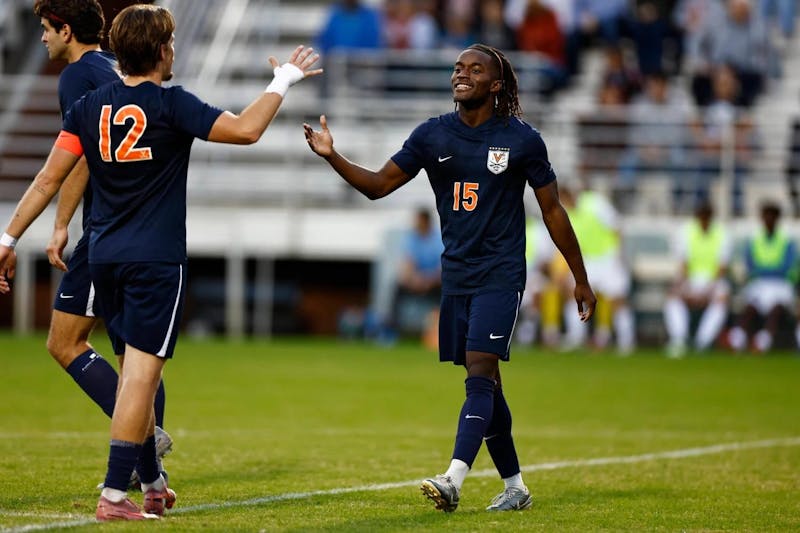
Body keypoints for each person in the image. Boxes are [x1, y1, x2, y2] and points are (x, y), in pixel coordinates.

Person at [0, 4, 321, 521]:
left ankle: (151, 483)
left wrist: (8, 236)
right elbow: (245, 130)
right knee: (141, 378)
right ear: (162, 50)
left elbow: (46, 178)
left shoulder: (89, 106)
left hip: (102, 256)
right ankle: (112, 495)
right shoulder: (172, 105)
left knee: (132, 373)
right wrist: (283, 79)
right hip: (154, 261)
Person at [304, 43, 596, 512]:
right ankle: (516, 487)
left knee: (480, 367)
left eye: (474, 69)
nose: (461, 74)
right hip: (456, 274)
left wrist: (579, 277)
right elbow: (379, 186)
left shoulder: (523, 140)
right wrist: (332, 156)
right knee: (486, 380)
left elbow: (553, 210)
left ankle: (453, 478)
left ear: (495, 85)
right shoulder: (432, 136)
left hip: (502, 272)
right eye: (458, 68)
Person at [29, 0, 172, 487]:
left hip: (106, 231)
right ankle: (143, 459)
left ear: (67, 30)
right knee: (136, 350)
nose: (43, 39)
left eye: (47, 30)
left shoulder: (76, 77)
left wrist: (61, 222)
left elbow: (80, 157)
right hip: (139, 229)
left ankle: (142, 442)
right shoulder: (112, 68)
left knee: (66, 342)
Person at [558, 185, 635, 354]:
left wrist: (619, 256)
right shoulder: (566, 214)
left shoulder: (595, 203)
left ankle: (626, 342)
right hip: (589, 261)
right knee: (574, 294)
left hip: (609, 257)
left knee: (617, 300)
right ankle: (576, 336)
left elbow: (617, 227)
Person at [663, 201, 732, 358]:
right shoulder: (685, 231)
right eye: (702, 218)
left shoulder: (722, 233)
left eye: (707, 218)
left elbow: (721, 268)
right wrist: (684, 287)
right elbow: (683, 265)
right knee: (673, 296)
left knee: (722, 298)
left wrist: (707, 291)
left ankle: (703, 341)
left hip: (713, 280)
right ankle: (679, 339)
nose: (704, 221)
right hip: (691, 278)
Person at [726, 201, 798, 353]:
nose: (768, 220)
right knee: (750, 307)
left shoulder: (787, 242)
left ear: (777, 219)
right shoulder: (754, 242)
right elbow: (750, 267)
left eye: (772, 217)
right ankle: (738, 338)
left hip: (780, 284)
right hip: (760, 283)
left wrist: (764, 270)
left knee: (776, 308)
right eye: (766, 217)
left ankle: (764, 339)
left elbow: (789, 268)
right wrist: (771, 270)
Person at [392, 207, 444, 338]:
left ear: (426, 221)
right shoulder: (411, 238)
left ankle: (444, 330)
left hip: (434, 282)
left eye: (418, 221)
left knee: (448, 291)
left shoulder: (438, 238)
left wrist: (428, 281)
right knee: (397, 288)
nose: (415, 224)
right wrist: (415, 279)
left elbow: (443, 267)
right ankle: (393, 331)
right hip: (416, 281)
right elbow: (408, 263)